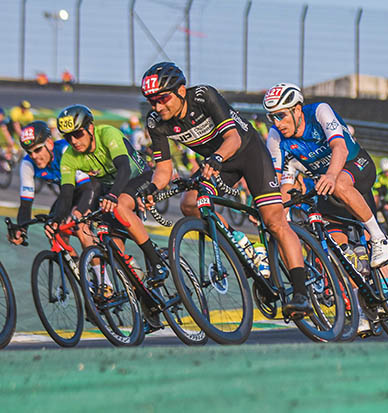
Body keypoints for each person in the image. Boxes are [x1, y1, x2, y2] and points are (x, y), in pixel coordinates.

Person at [139, 63, 313, 318]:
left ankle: (301, 293)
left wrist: (216, 159)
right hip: (218, 163)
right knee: (190, 205)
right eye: (152, 101)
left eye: (163, 98)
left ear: (181, 90)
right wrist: (152, 188)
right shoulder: (156, 122)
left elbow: (233, 138)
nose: (158, 106)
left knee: (274, 221)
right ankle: (240, 242)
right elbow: (163, 169)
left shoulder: (203, 97)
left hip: (247, 153)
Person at [263, 82, 388, 269]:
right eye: (272, 117)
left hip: (356, 166)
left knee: (340, 185)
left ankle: (380, 239)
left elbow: (340, 147)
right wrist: (274, 211)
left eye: (281, 115)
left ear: (297, 109)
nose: (277, 123)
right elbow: (279, 183)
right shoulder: (275, 136)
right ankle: (356, 291)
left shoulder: (319, 112)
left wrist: (331, 175)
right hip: (328, 187)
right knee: (339, 253)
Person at [46, 105, 167, 293]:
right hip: (109, 186)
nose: (74, 141)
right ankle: (140, 294)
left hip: (137, 177)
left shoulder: (108, 134)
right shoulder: (69, 156)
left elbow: (124, 170)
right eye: (68, 137)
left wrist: (112, 196)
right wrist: (55, 220)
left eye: (78, 134)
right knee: (111, 247)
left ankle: (156, 261)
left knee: (118, 207)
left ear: (90, 128)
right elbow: (67, 193)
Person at [8, 121, 95, 251]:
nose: (34, 156)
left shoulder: (66, 151)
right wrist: (21, 228)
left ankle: (99, 270)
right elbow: (26, 203)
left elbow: (87, 189)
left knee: (80, 227)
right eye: (29, 152)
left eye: (38, 149)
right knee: (53, 230)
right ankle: (74, 268)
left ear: (49, 143)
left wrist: (78, 212)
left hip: (92, 187)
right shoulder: (27, 164)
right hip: (68, 194)